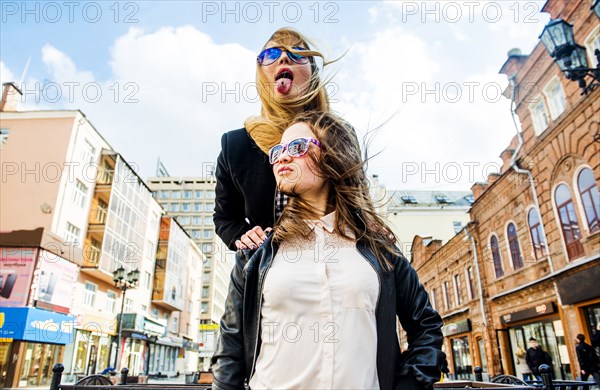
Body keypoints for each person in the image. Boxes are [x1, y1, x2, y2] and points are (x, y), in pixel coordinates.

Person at [211, 112, 446, 389]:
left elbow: (426, 328)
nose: (282, 158)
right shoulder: (255, 256)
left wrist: (410, 384)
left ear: (333, 155)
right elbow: (229, 353)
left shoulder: (381, 251)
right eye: (277, 151)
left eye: (297, 147)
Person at [214, 27, 332, 252]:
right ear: (261, 74)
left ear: (313, 71)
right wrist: (244, 236)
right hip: (267, 270)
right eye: (271, 55)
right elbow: (225, 217)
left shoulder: (337, 136)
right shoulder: (235, 145)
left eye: (298, 53)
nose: (285, 57)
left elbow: (357, 203)